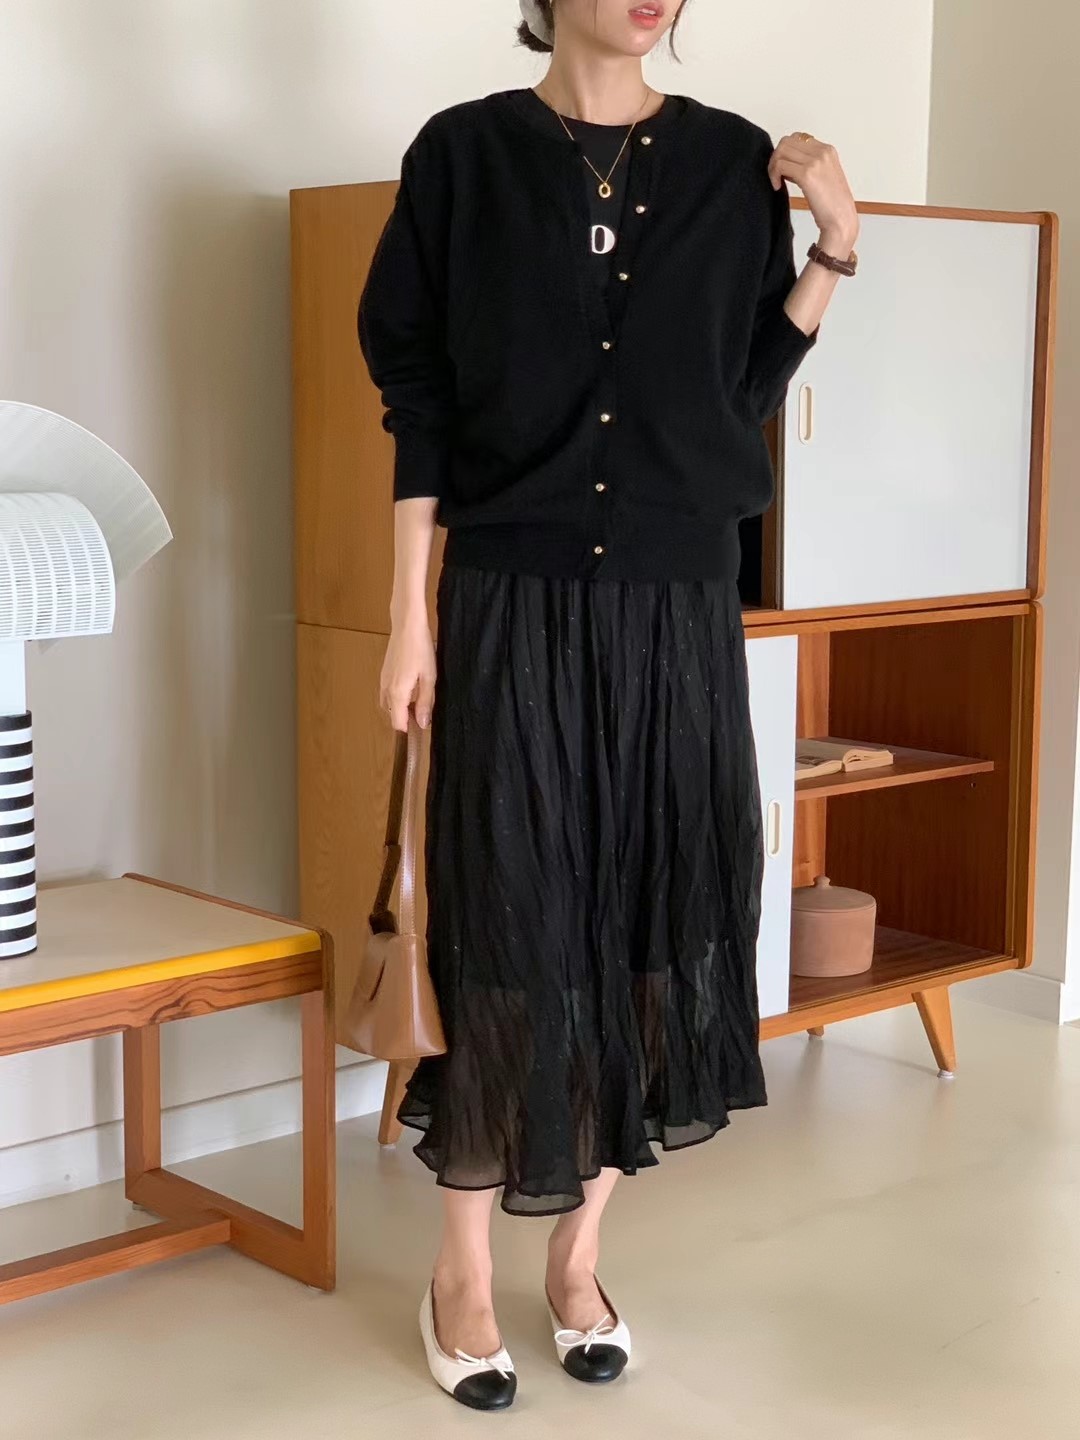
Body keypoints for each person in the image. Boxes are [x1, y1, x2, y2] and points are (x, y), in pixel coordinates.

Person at [357, 0, 858, 1411]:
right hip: (509, 598)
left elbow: (740, 386)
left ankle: (577, 1260)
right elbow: (421, 399)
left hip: (677, 605)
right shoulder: (463, 158)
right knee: (507, 919)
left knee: (652, 911)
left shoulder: (731, 162)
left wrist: (834, 247)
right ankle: (462, 1272)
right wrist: (411, 613)